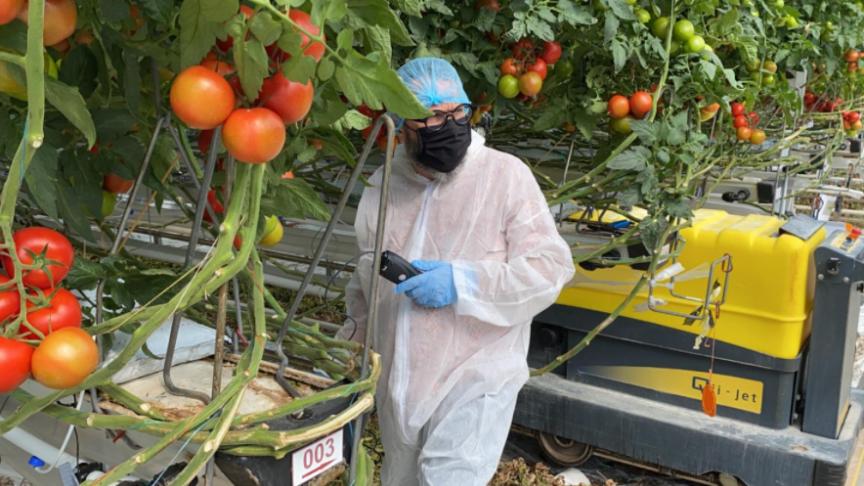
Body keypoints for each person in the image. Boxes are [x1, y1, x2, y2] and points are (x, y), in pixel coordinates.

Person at [341, 57, 575, 486]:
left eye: (457, 113)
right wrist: (352, 346)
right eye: (431, 117)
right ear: (400, 123)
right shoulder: (383, 187)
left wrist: (463, 281)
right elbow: (365, 275)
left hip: (477, 374)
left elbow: (550, 267)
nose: (448, 126)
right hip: (401, 380)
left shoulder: (505, 177)